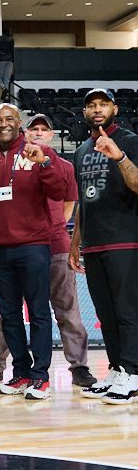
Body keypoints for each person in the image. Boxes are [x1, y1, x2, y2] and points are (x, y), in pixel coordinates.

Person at [0, 114, 95, 388]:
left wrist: (59, 231)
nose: (39, 134)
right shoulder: (10, 160)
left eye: (45, 130)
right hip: (22, 246)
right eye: (34, 129)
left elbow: (70, 204)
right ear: (26, 132)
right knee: (7, 313)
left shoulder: (62, 165)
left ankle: (79, 366)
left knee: (65, 309)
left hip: (54, 246)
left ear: (52, 135)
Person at [0, 104, 67, 401]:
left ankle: (41, 377)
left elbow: (58, 191)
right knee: (10, 316)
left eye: (9, 119)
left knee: (38, 312)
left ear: (20, 124)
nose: (3, 124)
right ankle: (21, 372)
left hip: (33, 247)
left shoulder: (39, 153)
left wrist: (44, 165)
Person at [71, 89, 138, 404]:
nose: (97, 110)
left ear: (114, 108)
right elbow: (83, 201)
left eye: (102, 104)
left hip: (125, 238)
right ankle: (117, 368)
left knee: (127, 310)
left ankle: (133, 373)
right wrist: (76, 243)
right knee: (106, 312)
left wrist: (120, 157)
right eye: (91, 105)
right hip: (94, 243)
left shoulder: (129, 141)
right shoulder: (82, 149)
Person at [0, 28, 15, 101]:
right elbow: (12, 51)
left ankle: (4, 89)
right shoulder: (11, 39)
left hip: (1, 60)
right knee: (6, 79)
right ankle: (6, 97)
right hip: (10, 61)